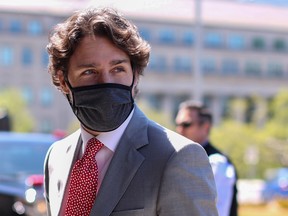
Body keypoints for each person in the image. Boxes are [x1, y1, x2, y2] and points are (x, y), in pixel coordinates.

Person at [43, 7, 218, 216]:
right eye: (89, 72)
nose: (106, 82)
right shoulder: (56, 157)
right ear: (64, 81)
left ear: (135, 75)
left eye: (118, 69)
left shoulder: (178, 157)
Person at [175, 100, 238, 216]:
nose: (180, 130)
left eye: (186, 124)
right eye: (178, 124)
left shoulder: (217, 162)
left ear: (205, 127)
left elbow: (217, 211)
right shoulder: (181, 158)